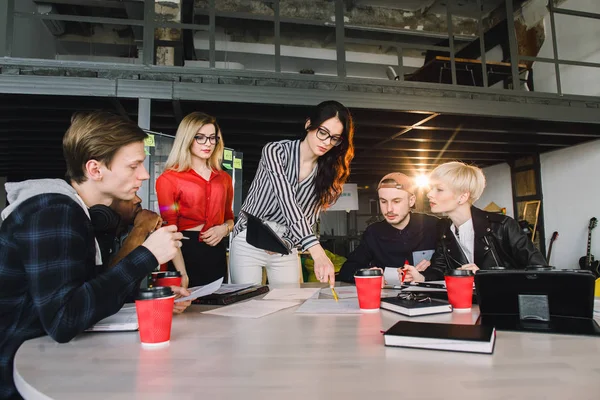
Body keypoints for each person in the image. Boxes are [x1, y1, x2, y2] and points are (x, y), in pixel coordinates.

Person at [0, 111, 184, 400]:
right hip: (18, 373)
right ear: (95, 170)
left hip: (43, 359)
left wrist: (144, 296)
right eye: (134, 165)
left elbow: (80, 290)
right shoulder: (54, 213)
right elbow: (64, 319)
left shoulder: (71, 211)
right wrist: (147, 254)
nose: (145, 175)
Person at [229, 100, 355, 286]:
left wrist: (287, 241)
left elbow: (310, 216)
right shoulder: (275, 151)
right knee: (248, 303)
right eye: (322, 132)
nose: (327, 142)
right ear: (308, 124)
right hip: (250, 236)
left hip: (286, 242)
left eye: (335, 138)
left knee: (289, 304)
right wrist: (317, 251)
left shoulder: (327, 173)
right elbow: (285, 199)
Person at [405, 161, 547, 282]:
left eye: (439, 189)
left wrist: (484, 276)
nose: (429, 194)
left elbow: (540, 272)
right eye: (431, 189)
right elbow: (439, 269)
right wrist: (420, 277)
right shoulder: (445, 229)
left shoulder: (503, 226)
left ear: (463, 196)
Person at [156, 112, 234, 287]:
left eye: (212, 138)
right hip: (182, 253)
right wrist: (181, 273)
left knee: (217, 310)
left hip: (216, 251)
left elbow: (230, 217)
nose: (208, 144)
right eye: (200, 137)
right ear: (187, 138)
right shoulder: (169, 179)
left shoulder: (224, 179)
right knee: (183, 311)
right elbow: (170, 229)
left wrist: (224, 229)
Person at [96, 195, 191, 314]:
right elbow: (111, 284)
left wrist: (160, 301)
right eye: (128, 197)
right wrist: (141, 228)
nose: (138, 200)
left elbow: (170, 241)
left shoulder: (134, 225)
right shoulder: (99, 235)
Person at [338, 173, 439, 284]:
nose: (389, 209)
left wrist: (430, 271)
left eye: (396, 201)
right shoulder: (373, 233)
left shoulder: (434, 226)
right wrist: (369, 276)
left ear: (411, 200)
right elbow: (347, 271)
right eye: (383, 201)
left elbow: (451, 267)